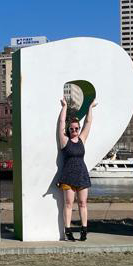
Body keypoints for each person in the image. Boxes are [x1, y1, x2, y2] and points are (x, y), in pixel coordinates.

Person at [57, 97, 96, 242]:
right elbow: (61, 124)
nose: (74, 130)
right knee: (68, 204)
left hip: (82, 175)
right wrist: (64, 107)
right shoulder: (64, 140)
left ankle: (84, 230)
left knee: (83, 203)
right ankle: (67, 230)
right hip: (67, 176)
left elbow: (88, 122)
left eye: (76, 128)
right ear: (69, 129)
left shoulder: (82, 139)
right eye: (72, 128)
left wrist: (90, 107)